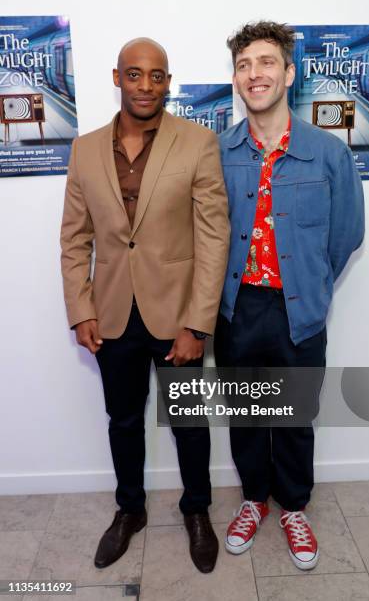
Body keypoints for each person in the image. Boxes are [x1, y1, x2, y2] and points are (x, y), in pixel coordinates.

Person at [60, 37, 230, 573]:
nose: (146, 86)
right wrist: (81, 309)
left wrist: (196, 324)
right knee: (123, 420)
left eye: (157, 76)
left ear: (169, 83)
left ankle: (197, 512)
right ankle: (129, 510)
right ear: (117, 78)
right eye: (135, 75)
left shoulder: (198, 143)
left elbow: (214, 237)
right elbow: (74, 238)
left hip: (176, 315)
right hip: (111, 316)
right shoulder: (85, 149)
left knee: (188, 423)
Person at [214, 21, 364, 570]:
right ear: (235, 79)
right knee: (248, 416)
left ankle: (294, 507)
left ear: (289, 73)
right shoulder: (218, 151)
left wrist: (308, 284)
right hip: (238, 310)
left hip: (300, 311)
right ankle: (255, 499)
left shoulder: (327, 153)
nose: (256, 73)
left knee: (296, 416)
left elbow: (346, 234)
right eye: (245, 64)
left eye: (267, 62)